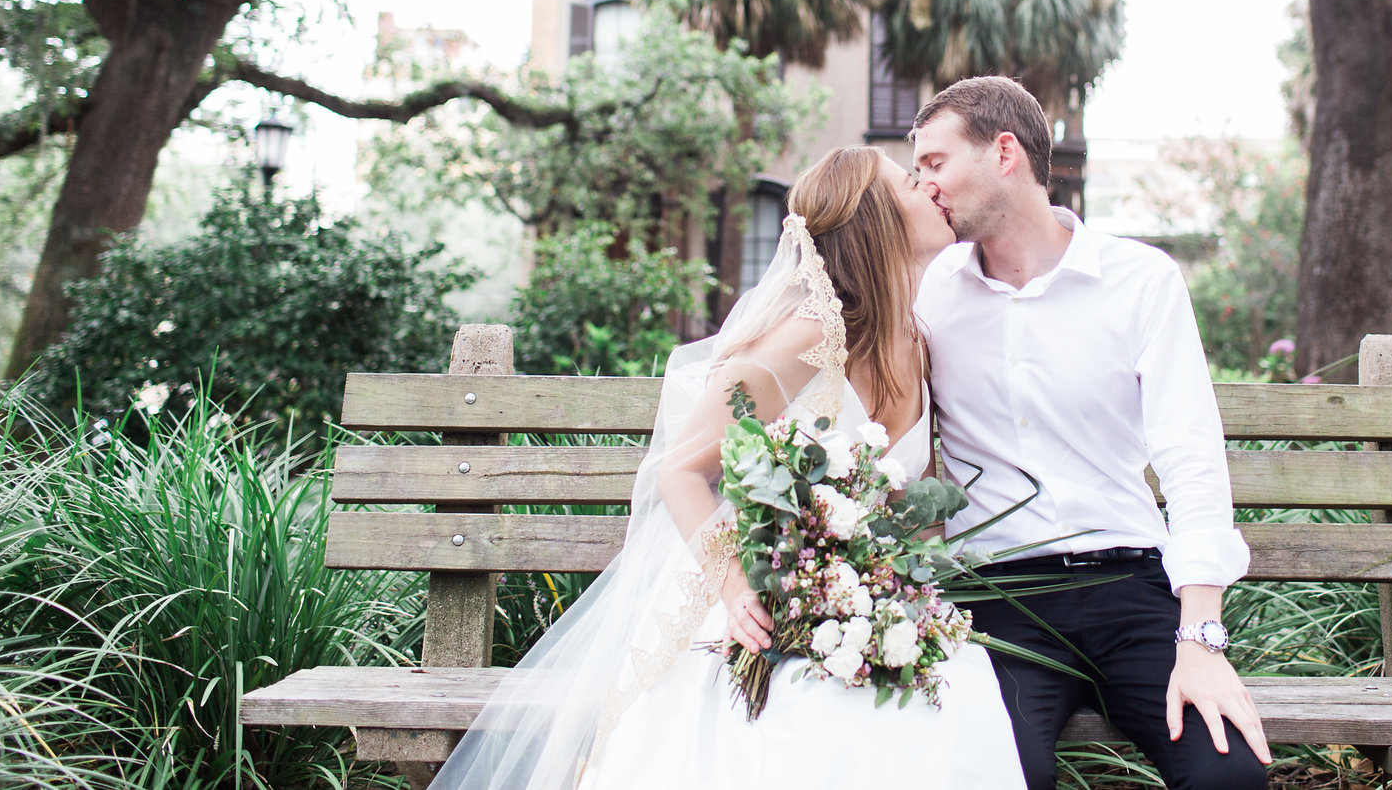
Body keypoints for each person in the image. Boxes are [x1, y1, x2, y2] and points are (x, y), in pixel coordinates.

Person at [429, 146, 1024, 790]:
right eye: (912, 182)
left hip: (866, 602)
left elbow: (916, 504)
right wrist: (738, 587)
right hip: (760, 595)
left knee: (957, 696)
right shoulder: (810, 338)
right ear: (876, 219)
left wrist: (911, 597)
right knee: (814, 724)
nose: (932, 189)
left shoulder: (919, 340)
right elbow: (681, 470)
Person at [912, 76, 1271, 790]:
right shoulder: (928, 288)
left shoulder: (1140, 279)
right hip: (998, 603)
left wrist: (1199, 637)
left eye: (934, 163)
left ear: (1004, 151)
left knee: (1227, 778)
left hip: (1131, 588)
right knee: (992, 775)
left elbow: (1190, 456)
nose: (922, 186)